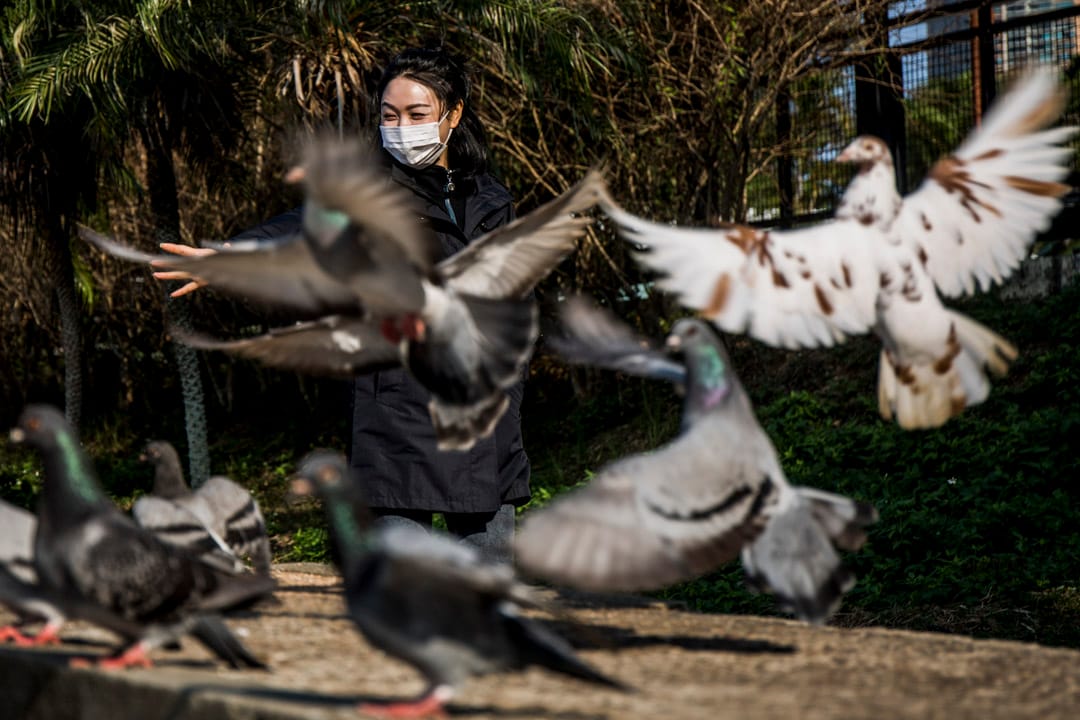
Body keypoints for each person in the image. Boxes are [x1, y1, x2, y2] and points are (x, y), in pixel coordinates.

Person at [153, 46, 529, 564]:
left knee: (490, 590)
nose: (401, 128)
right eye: (389, 115)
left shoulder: (492, 199)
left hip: (484, 421)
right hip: (399, 421)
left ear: (453, 114)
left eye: (417, 115)